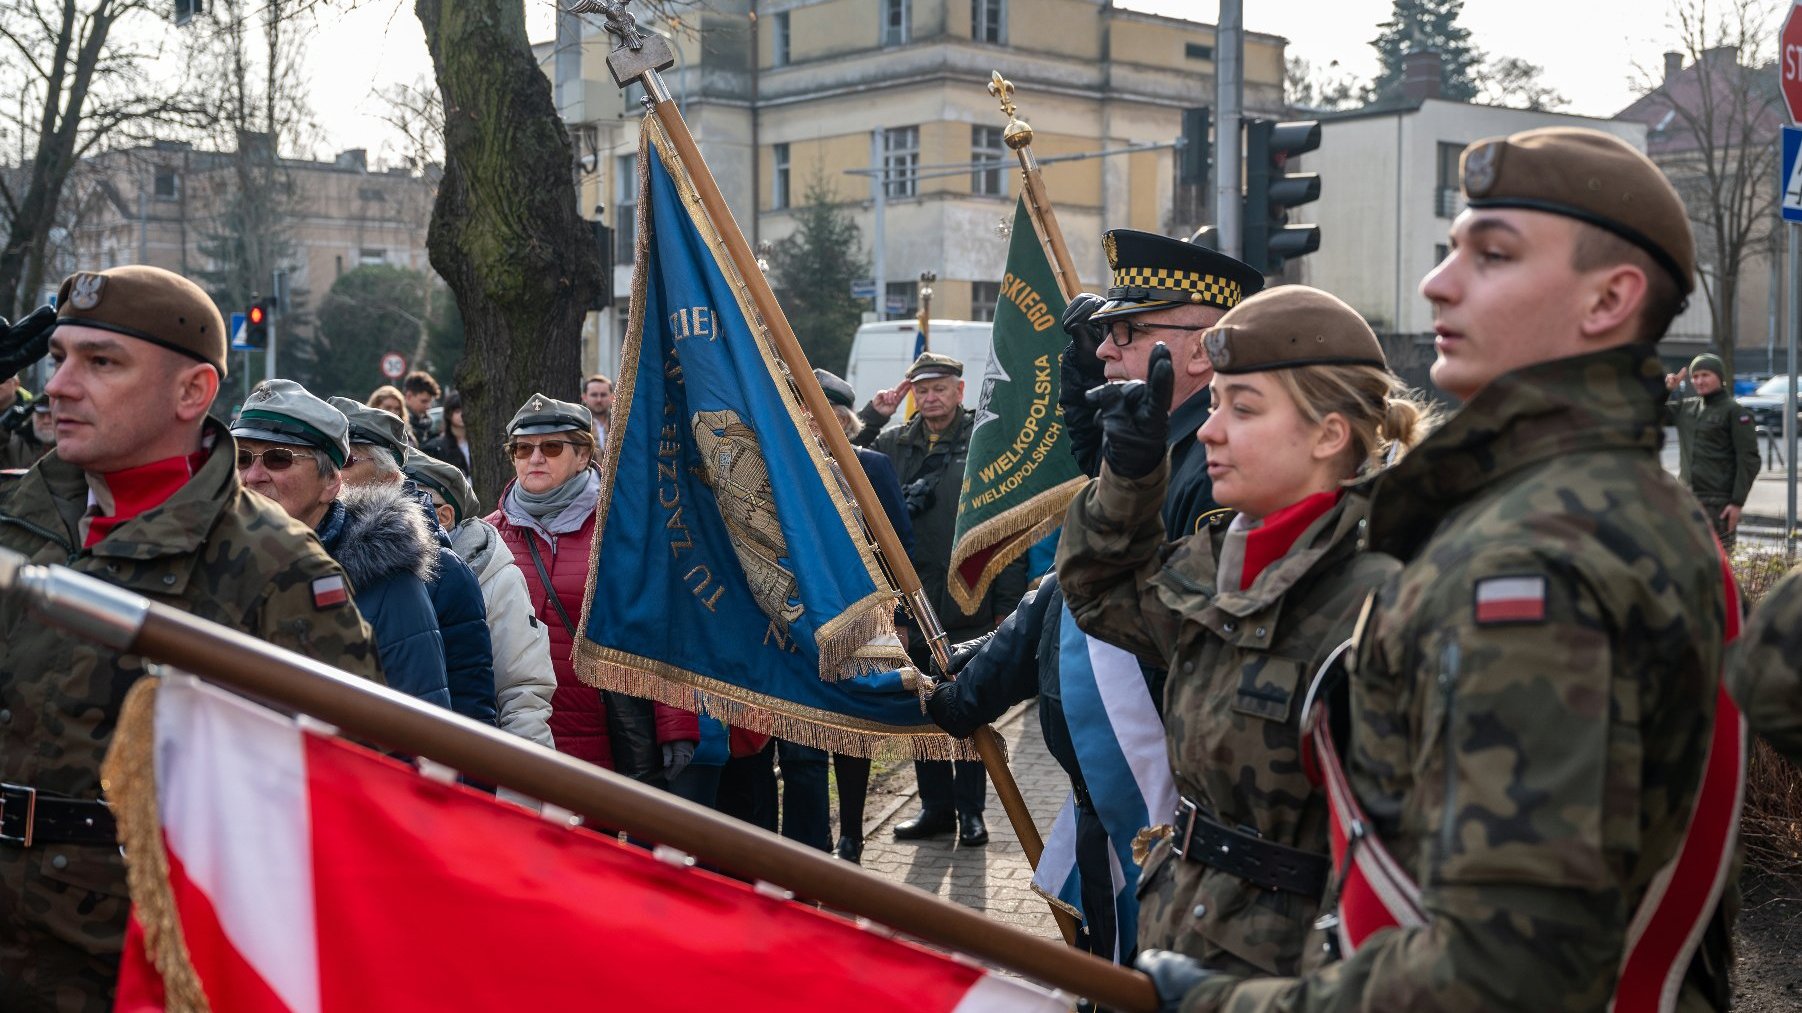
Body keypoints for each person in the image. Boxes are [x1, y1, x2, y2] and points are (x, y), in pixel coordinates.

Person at [1133, 127, 1737, 1012]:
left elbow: (1503, 974)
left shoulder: (1536, 560)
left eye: (1492, 255)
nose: (1437, 282)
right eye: (1452, 247)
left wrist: (1223, 1003)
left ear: (1609, 298)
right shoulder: (1596, 505)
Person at [0, 269, 380, 1010]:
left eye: (101, 362)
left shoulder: (277, 568)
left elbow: (337, 819)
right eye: (59, 358)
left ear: (192, 393)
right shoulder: (15, 518)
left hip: (135, 967)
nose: (59, 386)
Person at [1055, 287, 1434, 973]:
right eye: (1216, 402)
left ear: (1329, 433)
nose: (1207, 429)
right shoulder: (1223, 559)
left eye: (1244, 408)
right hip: (1188, 936)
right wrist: (1131, 476)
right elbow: (1098, 595)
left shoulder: (1388, 600)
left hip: (1296, 973)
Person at [854, 351, 1026, 847]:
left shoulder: (985, 442)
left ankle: (972, 812)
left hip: (970, 599)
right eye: (922, 390)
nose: (931, 398)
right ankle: (935, 809)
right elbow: (842, 457)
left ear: (959, 390)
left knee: (971, 707)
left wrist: (1007, 606)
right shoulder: (895, 442)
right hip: (912, 604)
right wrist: (875, 414)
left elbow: (1007, 529)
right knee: (925, 706)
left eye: (940, 388)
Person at [484, 393, 698, 784]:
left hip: (602, 733)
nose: (534, 458)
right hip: (515, 732)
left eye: (550, 447)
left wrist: (675, 721)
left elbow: (661, 625)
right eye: (522, 448)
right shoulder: (488, 535)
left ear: (583, 455)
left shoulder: (621, 526)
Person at [232, 379, 450, 710]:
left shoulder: (387, 585)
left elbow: (419, 732)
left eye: (278, 458)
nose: (253, 476)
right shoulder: (206, 560)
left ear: (331, 482)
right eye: (243, 458)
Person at [1057, 229, 1267, 539]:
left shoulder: (1216, 466)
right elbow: (1104, 467)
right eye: (1106, 331)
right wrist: (1085, 381)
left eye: (1129, 331)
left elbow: (1142, 581)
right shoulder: (1166, 437)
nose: (1103, 350)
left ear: (1200, 351)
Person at [331, 395, 496, 728]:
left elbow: (471, 710)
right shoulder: (298, 548)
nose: (332, 474)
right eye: (324, 459)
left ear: (390, 478)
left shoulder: (445, 570)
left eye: (346, 460)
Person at [407, 453, 559, 800]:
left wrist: (518, 803)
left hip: (479, 784)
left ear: (444, 516)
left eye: (412, 500)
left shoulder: (495, 576)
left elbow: (523, 694)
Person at [813, 367, 913, 863]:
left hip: (864, 614)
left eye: (825, 416)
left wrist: (904, 623)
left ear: (845, 421)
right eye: (806, 414)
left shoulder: (870, 466)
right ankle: (810, 840)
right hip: (800, 616)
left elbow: (900, 547)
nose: (814, 424)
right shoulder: (780, 468)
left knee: (853, 725)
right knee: (805, 724)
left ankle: (851, 834)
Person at [1666, 352, 1759, 550]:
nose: (1699, 381)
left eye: (1705, 375)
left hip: (1719, 506)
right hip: (1687, 501)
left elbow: (1748, 460)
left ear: (1720, 377)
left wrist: (1737, 503)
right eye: (1695, 376)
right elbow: (1649, 413)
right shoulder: (1686, 409)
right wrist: (1665, 391)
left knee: (1718, 570)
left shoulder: (1735, 412)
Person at [421, 389, 471, 477]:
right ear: (448, 414)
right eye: (457, 411)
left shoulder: (478, 443)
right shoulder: (436, 447)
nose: (462, 414)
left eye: (465, 409)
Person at [401, 370, 441, 446]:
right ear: (409, 396)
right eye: (424, 401)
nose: (428, 406)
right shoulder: (398, 425)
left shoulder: (427, 425)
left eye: (430, 402)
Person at [582, 373, 613, 449]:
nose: (599, 400)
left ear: (612, 397)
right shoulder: (579, 423)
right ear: (584, 397)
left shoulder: (621, 423)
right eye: (594, 395)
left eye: (603, 395)